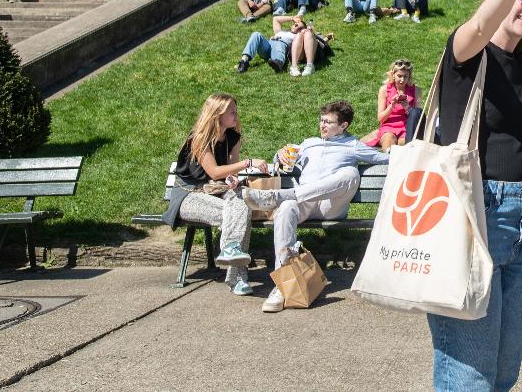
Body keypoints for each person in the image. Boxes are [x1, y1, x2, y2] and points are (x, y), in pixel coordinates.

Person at [426, 0, 522, 390]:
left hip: (519, 223)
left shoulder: (520, 69)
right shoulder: (467, 54)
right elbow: (479, 25)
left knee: (502, 373)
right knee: (469, 377)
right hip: (469, 216)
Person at [249, 100, 390, 313]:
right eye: (321, 120)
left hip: (331, 206)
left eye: (328, 122)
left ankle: (284, 195)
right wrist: (279, 155)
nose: (322, 125)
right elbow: (284, 163)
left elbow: (384, 159)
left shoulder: (353, 145)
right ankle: (281, 286)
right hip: (305, 203)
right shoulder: (308, 143)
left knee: (351, 174)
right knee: (286, 209)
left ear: (343, 126)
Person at [161, 94, 270, 296]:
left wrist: (234, 179)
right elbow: (213, 172)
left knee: (240, 201)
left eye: (236, 110)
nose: (236, 115)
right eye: (232, 112)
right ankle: (238, 277)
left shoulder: (233, 137)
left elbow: (227, 172)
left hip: (216, 192)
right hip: (189, 196)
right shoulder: (199, 139)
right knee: (238, 214)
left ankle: (231, 254)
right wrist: (248, 163)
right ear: (217, 115)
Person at [234, 15, 332, 77]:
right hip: (267, 46)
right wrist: (292, 18)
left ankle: (278, 64)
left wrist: (326, 37)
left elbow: (312, 41)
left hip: (281, 46)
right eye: (296, 25)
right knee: (256, 34)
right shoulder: (280, 32)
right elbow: (275, 19)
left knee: (280, 45)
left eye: (301, 27)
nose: (297, 27)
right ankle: (244, 61)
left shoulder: (298, 36)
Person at [362, 60, 417, 150]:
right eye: (399, 76)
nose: (402, 80)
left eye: (405, 76)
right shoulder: (384, 90)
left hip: (407, 125)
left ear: (409, 77)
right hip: (389, 125)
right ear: (393, 75)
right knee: (388, 140)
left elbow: (418, 118)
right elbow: (381, 118)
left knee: (405, 145)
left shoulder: (415, 90)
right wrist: (392, 105)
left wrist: (408, 108)